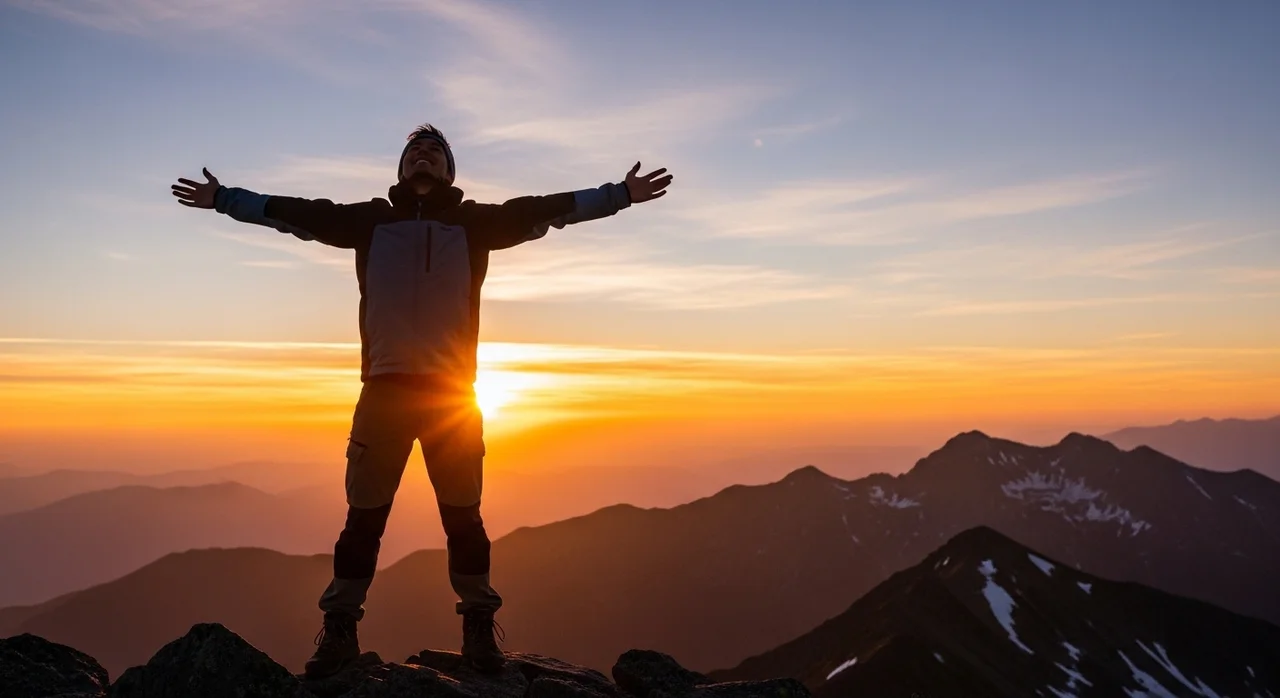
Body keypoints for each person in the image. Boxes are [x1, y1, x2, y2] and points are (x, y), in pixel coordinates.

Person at [170, 123, 672, 678]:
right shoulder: (368, 222)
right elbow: (294, 213)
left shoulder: (476, 224)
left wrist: (620, 194)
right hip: (384, 393)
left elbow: (549, 209)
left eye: (434, 151)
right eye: (415, 151)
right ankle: (339, 630)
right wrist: (224, 199)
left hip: (451, 397)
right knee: (363, 520)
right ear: (402, 167)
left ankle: (478, 627)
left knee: (464, 519)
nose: (424, 157)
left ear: (449, 170)